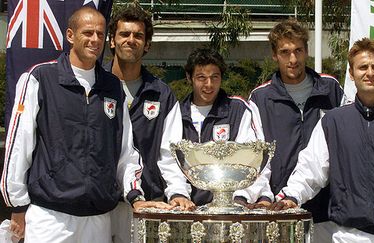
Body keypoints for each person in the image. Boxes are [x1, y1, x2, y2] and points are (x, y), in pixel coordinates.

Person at [0, 7, 171, 243]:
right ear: (70, 35)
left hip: (98, 217)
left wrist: (134, 194)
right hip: (51, 216)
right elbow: (19, 146)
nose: (95, 40)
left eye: (100, 34)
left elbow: (125, 152)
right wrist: (17, 205)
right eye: (88, 33)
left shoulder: (112, 87)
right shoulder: (39, 78)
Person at [272, 38, 374, 243]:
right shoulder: (333, 121)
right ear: (351, 73)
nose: (370, 73)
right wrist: (292, 196)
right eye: (363, 67)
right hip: (348, 235)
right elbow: (311, 169)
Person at [234, 18, 346, 240]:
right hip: (279, 209)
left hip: (328, 211)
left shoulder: (331, 89)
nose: (293, 59)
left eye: (298, 51)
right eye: (285, 52)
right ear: (275, 55)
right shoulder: (260, 98)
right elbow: (255, 156)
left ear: (306, 52)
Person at [106, 5, 192, 242]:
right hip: (101, 203)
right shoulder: (95, 87)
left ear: (147, 45)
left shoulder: (162, 94)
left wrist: (177, 191)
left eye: (138, 35)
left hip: (148, 203)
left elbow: (170, 153)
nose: (131, 40)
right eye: (124, 34)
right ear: (112, 41)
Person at [180, 47, 272, 206]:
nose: (209, 85)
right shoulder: (178, 113)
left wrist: (240, 198)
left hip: (232, 207)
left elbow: (255, 160)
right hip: (190, 208)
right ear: (189, 78)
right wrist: (179, 195)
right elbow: (169, 162)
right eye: (201, 77)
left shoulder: (238, 110)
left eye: (214, 77)